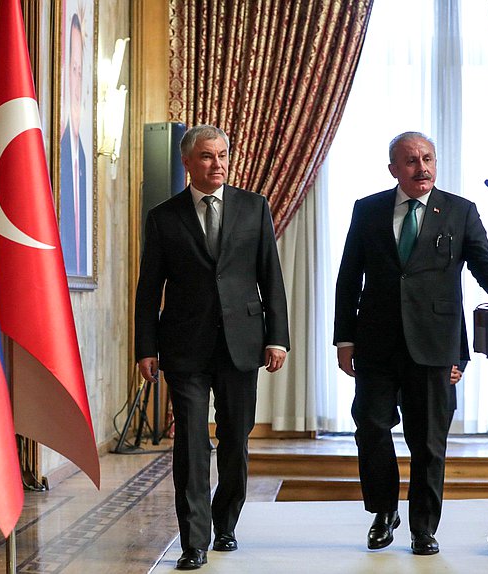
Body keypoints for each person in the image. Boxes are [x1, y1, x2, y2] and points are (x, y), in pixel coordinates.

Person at [333, 131, 488, 556]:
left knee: (429, 441)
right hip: (376, 342)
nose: (422, 167)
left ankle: (423, 527)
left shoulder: (459, 210)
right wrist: (344, 339)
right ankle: (384, 512)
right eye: (412, 160)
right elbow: (349, 277)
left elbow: (482, 262)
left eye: (428, 158)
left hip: (435, 344)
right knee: (371, 427)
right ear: (394, 169)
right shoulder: (368, 210)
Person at [134, 125, 290, 570]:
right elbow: (149, 288)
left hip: (242, 344)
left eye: (222, 155)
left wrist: (277, 336)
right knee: (190, 443)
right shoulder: (164, 217)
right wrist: (145, 347)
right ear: (187, 162)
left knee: (235, 440)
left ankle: (226, 524)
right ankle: (193, 541)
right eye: (206, 156)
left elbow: (270, 277)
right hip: (184, 346)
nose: (217, 163)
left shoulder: (254, 207)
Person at [59, 12, 87, 275]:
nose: (77, 83)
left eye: (81, 72)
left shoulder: (84, 159)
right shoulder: (60, 153)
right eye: (74, 70)